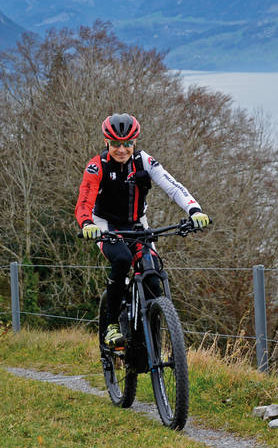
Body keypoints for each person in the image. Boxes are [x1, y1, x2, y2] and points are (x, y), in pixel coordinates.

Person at [75, 113, 209, 348]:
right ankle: (111, 326)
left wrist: (194, 210)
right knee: (122, 259)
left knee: (153, 275)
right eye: (116, 143)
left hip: (137, 224)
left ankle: (150, 345)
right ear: (107, 142)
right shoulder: (97, 166)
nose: (122, 149)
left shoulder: (144, 161)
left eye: (127, 143)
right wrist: (88, 224)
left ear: (134, 142)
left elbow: (173, 186)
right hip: (106, 225)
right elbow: (84, 201)